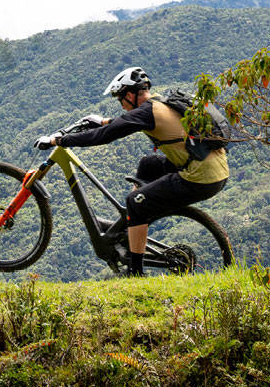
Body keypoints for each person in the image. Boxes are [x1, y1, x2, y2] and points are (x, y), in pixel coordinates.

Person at [34, 67, 229, 276]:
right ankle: (133, 224)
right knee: (148, 164)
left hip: (200, 178)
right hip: (214, 169)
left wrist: (59, 140)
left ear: (130, 95)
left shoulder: (148, 111)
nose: (122, 105)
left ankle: (135, 271)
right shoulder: (160, 103)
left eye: (120, 100)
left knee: (135, 201)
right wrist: (101, 121)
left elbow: (104, 136)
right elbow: (124, 123)